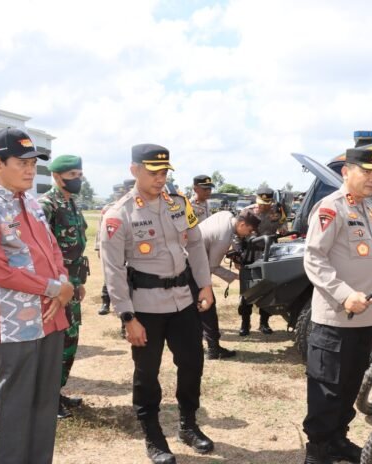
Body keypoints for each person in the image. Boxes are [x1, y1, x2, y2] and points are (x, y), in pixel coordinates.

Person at [0, 127, 74, 463]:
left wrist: (63, 282)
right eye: (22, 162)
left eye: (34, 163)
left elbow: (52, 249)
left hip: (51, 319)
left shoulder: (31, 202)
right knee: (13, 410)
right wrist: (54, 288)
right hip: (14, 325)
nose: (30, 169)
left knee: (43, 405)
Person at [100, 143, 215, 464]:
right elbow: (113, 271)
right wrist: (127, 317)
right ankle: (153, 436)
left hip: (183, 302)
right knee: (147, 374)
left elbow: (195, 243)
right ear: (134, 170)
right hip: (145, 308)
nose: (160, 178)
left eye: (164, 172)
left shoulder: (178, 204)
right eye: (153, 172)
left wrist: (205, 285)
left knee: (192, 364)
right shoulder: (118, 214)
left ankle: (188, 426)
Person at [301, 148, 372, 464]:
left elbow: (371, 270)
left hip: (361, 319)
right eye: (367, 172)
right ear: (346, 172)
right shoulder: (331, 208)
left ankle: (337, 440)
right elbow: (314, 258)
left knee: (349, 386)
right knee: (327, 390)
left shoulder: (366, 210)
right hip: (336, 319)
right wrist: (343, 294)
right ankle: (318, 451)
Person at [39, 154, 89, 419]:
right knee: (57, 341)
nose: (77, 180)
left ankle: (56, 392)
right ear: (57, 177)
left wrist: (79, 282)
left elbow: (77, 247)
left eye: (79, 175)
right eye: (72, 176)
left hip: (72, 282)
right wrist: (61, 284)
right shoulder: (46, 205)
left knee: (71, 338)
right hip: (57, 287)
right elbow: (42, 252)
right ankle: (48, 399)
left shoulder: (72, 204)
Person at [198, 210, 260, 359]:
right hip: (193, 267)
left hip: (191, 261)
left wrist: (236, 253)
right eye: (249, 230)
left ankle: (199, 342)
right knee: (208, 305)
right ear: (242, 224)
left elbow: (231, 237)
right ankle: (214, 349)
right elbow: (213, 267)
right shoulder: (223, 238)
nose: (249, 234)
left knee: (198, 307)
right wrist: (237, 276)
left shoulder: (226, 216)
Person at [236, 186, 288, 336]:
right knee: (247, 291)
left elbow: (283, 223)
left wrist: (283, 228)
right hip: (250, 254)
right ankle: (245, 324)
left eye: (266, 203)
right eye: (260, 202)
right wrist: (238, 254)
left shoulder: (277, 210)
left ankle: (264, 323)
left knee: (268, 289)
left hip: (269, 253)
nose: (263, 206)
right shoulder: (247, 212)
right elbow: (237, 234)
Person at [95, 179, 135, 316]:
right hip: (114, 247)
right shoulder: (111, 208)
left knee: (129, 280)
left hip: (131, 250)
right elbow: (100, 230)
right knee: (111, 275)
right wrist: (98, 247)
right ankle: (105, 301)